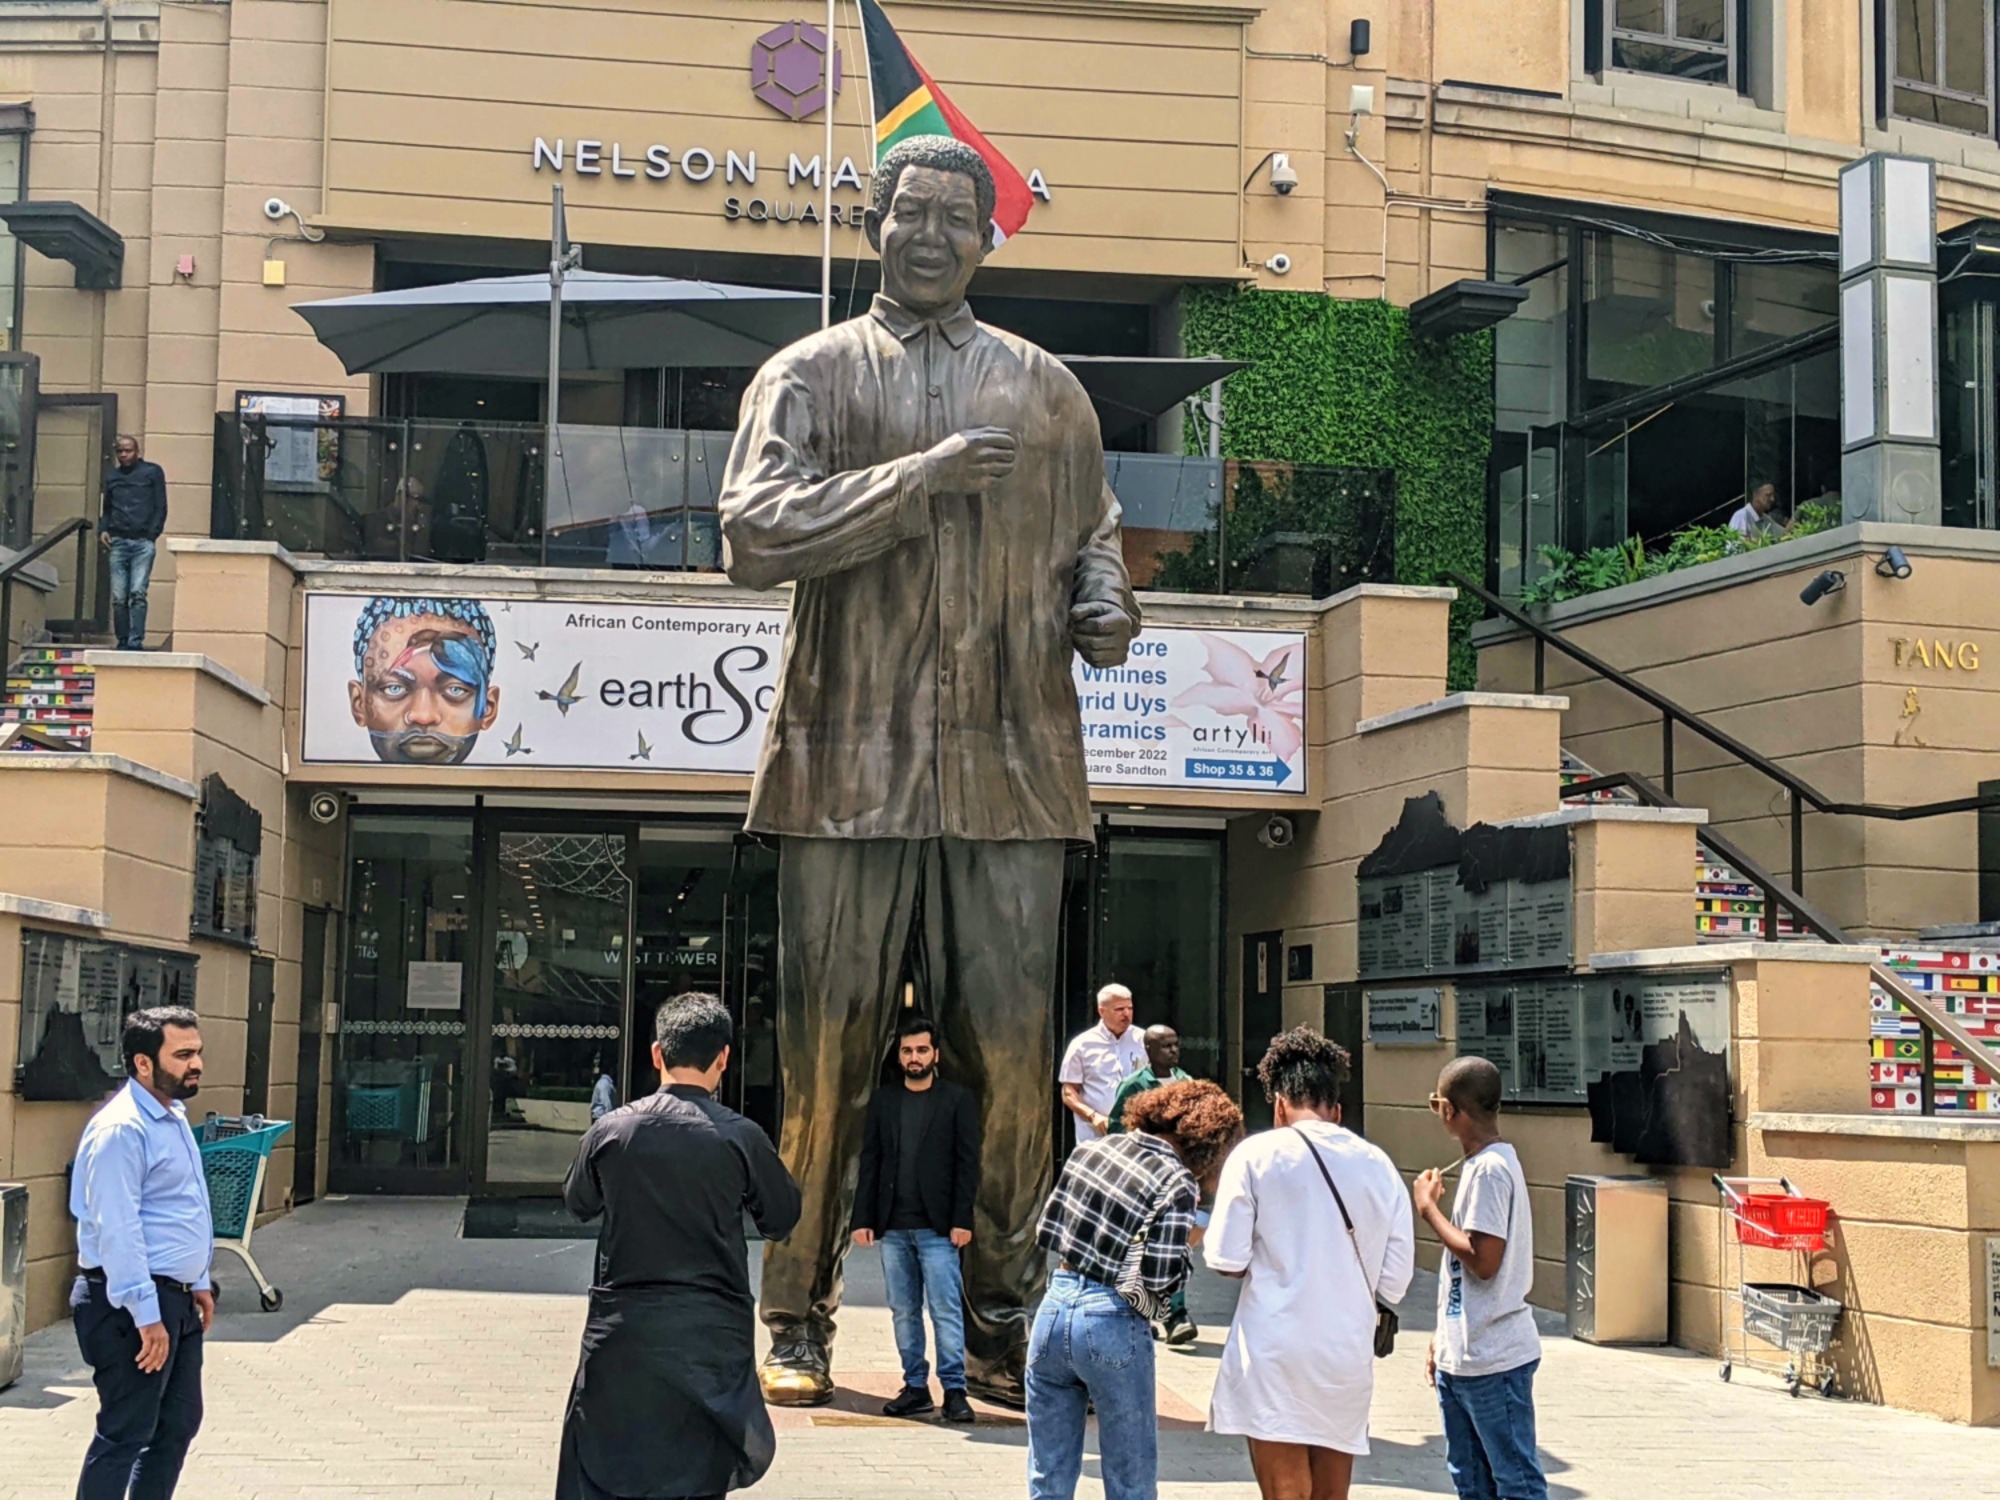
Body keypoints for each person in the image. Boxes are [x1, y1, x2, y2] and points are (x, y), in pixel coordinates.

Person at [717, 132, 1139, 1408]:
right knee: (825, 1056)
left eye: (957, 217)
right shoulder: (810, 373)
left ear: (984, 238)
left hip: (1012, 769)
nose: (932, 236)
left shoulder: (1047, 391)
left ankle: (1004, 1324)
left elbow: (1093, 531)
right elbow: (750, 532)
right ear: (875, 223)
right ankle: (793, 1312)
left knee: (1012, 1067)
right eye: (911, 213)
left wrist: (1105, 601)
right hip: (846, 768)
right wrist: (917, 482)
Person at [557, 992, 802, 1500]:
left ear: (656, 1053)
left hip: (624, 1332)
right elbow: (781, 1217)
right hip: (710, 1336)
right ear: (724, 1059)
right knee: (698, 1473)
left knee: (605, 1467)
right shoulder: (741, 1137)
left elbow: (578, 1201)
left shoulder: (613, 1130)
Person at [1205, 1027, 1415, 1500]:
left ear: (1279, 1105)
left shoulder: (1254, 1155)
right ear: (1336, 1111)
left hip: (1273, 1347)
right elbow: (1395, 1281)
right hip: (1345, 1351)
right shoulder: (1379, 1164)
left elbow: (1225, 1258)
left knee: (1285, 1492)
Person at [1027, 1079, 1241, 1500]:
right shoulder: (1177, 1181)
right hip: (1112, 1319)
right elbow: (1161, 1279)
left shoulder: (1090, 1151)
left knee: (1047, 1474)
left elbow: (1048, 1230)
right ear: (1208, 1144)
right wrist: (1188, 1244)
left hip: (1054, 1305)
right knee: (1131, 1476)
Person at [68, 1006, 215, 1500]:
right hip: (129, 1304)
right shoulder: (121, 1129)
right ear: (143, 1063)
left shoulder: (171, 1116)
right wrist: (146, 1314)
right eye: (183, 1055)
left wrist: (198, 1280)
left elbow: (181, 1207)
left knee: (177, 1424)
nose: (196, 1064)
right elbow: (119, 1228)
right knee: (125, 1432)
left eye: (197, 1052)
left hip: (175, 1298)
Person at [1413, 1056, 1546, 1500]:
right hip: (1465, 1354)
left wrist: (1428, 1209)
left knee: (1515, 1480)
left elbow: (1482, 1259)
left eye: (1437, 1104)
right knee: (1470, 1480)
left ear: (1451, 1110)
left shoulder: (1491, 1169)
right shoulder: (1479, 1164)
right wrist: (1444, 1335)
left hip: (1495, 1358)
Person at [851, 1015, 982, 1424]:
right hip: (893, 1227)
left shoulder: (957, 1100)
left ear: (935, 1054)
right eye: (907, 1050)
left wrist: (962, 1219)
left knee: (945, 1310)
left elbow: (967, 1165)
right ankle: (915, 1388)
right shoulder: (884, 1101)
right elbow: (870, 1160)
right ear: (899, 1055)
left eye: (922, 1050)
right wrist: (862, 1217)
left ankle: (955, 1391)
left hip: (939, 1228)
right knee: (903, 1311)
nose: (914, 1057)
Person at [1108, 1023, 1198, 1346]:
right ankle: (1140, 1311)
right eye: (1165, 1046)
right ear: (1148, 1050)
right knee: (1137, 1247)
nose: (1173, 1051)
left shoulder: (1187, 1083)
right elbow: (1117, 1129)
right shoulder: (1134, 1085)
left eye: (1176, 1045)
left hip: (1177, 1178)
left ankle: (1176, 1315)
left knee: (1175, 1243)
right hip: (1143, 1179)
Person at [346, 595, 501, 765]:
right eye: (394, 688)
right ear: (359, 704)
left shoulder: (448, 649)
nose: (423, 717)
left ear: (488, 708)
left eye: (455, 690)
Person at [100, 434, 168, 651]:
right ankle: (122, 641)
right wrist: (103, 529)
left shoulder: (152, 472)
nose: (123, 454)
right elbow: (107, 508)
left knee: (137, 593)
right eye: (120, 451)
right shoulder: (112, 476)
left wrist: (152, 534)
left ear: (137, 452)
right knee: (119, 597)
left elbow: (160, 506)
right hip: (118, 541)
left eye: (128, 450)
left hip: (142, 542)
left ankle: (135, 641)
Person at [1059, 984, 1147, 1145]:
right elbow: (1068, 1091)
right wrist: (1093, 1116)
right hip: (1096, 1137)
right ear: (1102, 1011)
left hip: (1135, 1134)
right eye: (1119, 1009)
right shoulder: (1082, 1045)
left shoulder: (1144, 1039)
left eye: (1130, 1008)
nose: (1126, 1014)